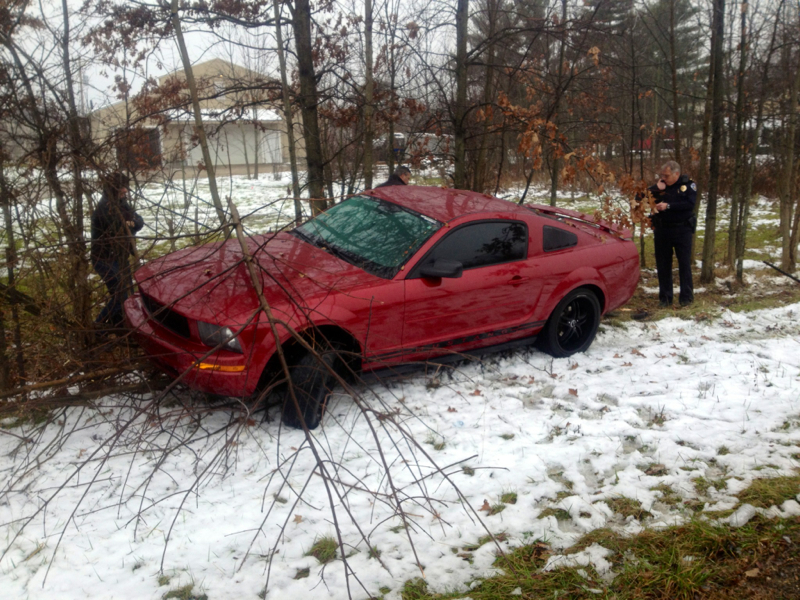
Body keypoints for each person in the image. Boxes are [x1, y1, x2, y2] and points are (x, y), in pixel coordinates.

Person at [90, 171, 144, 328]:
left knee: (127, 294)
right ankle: (97, 328)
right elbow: (118, 226)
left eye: (125, 186)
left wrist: (131, 223)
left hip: (120, 257)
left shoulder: (122, 203)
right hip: (105, 259)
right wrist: (130, 223)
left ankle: (119, 326)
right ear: (113, 188)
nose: (125, 190)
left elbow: (139, 221)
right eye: (121, 187)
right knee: (121, 296)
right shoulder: (104, 208)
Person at [646, 160, 697, 307]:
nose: (664, 178)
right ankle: (665, 298)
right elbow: (640, 197)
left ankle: (686, 298)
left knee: (684, 264)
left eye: (667, 175)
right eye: (662, 175)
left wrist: (668, 206)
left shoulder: (687, 185)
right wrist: (655, 188)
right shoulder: (660, 187)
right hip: (663, 230)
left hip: (682, 230)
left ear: (676, 174)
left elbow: (689, 204)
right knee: (663, 265)